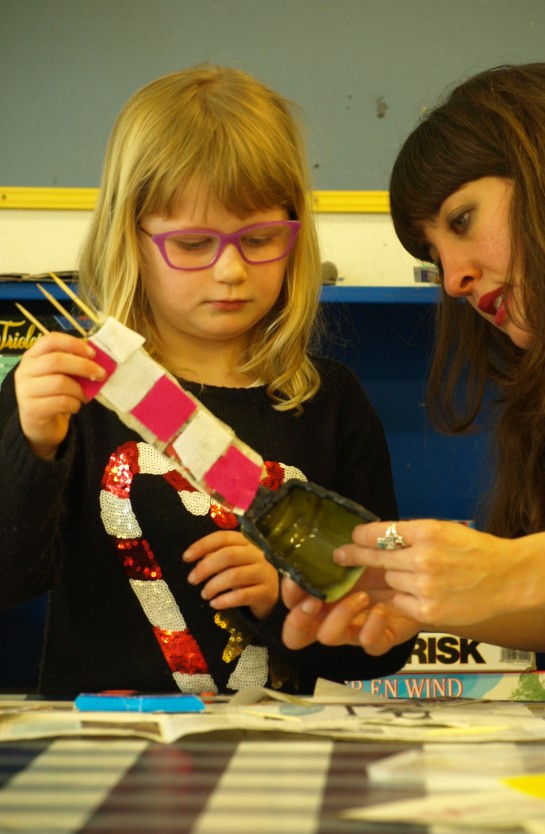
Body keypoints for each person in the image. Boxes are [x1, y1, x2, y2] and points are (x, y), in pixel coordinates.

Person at [0, 64, 414, 696]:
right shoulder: (70, 400)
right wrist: (31, 447)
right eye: (193, 244)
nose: (230, 271)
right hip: (106, 757)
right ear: (131, 238)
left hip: (279, 766)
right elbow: (8, 581)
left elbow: (385, 647)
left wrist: (284, 596)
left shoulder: (331, 405)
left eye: (261, 239)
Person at [279, 62, 545, 656]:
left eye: (462, 221)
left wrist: (508, 567)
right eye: (435, 254)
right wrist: (410, 600)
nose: (453, 281)